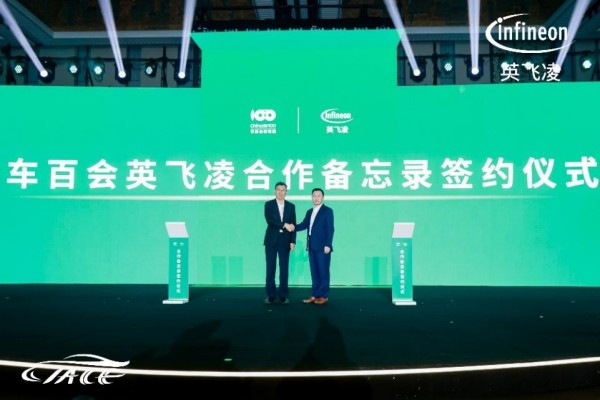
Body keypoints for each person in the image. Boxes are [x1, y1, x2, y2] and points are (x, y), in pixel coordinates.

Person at [294, 188, 334, 305]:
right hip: (311, 246)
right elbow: (303, 225)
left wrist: (328, 244)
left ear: (323, 197)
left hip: (323, 247)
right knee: (314, 272)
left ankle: (324, 296)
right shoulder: (309, 212)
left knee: (323, 271)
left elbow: (330, 229)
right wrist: (292, 227)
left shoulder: (327, 211)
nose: (316, 198)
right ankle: (315, 295)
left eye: (318, 196)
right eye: (314, 196)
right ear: (312, 197)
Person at [263, 182, 296, 304]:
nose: (281, 192)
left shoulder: (291, 206)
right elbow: (270, 220)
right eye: (278, 190)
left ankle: (283, 295)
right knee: (270, 268)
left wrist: (292, 241)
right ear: (274, 191)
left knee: (284, 269)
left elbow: (293, 224)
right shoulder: (269, 204)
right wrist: (284, 225)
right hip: (271, 240)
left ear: (286, 192)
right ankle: (271, 295)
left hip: (285, 241)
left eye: (283, 190)